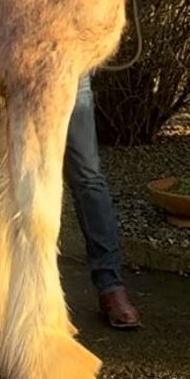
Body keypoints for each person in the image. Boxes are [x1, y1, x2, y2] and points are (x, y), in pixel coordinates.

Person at [64, 72, 141, 329]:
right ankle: (11, 303)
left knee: (88, 177)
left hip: (70, 66)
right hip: (14, 66)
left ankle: (110, 286)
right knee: (16, 180)